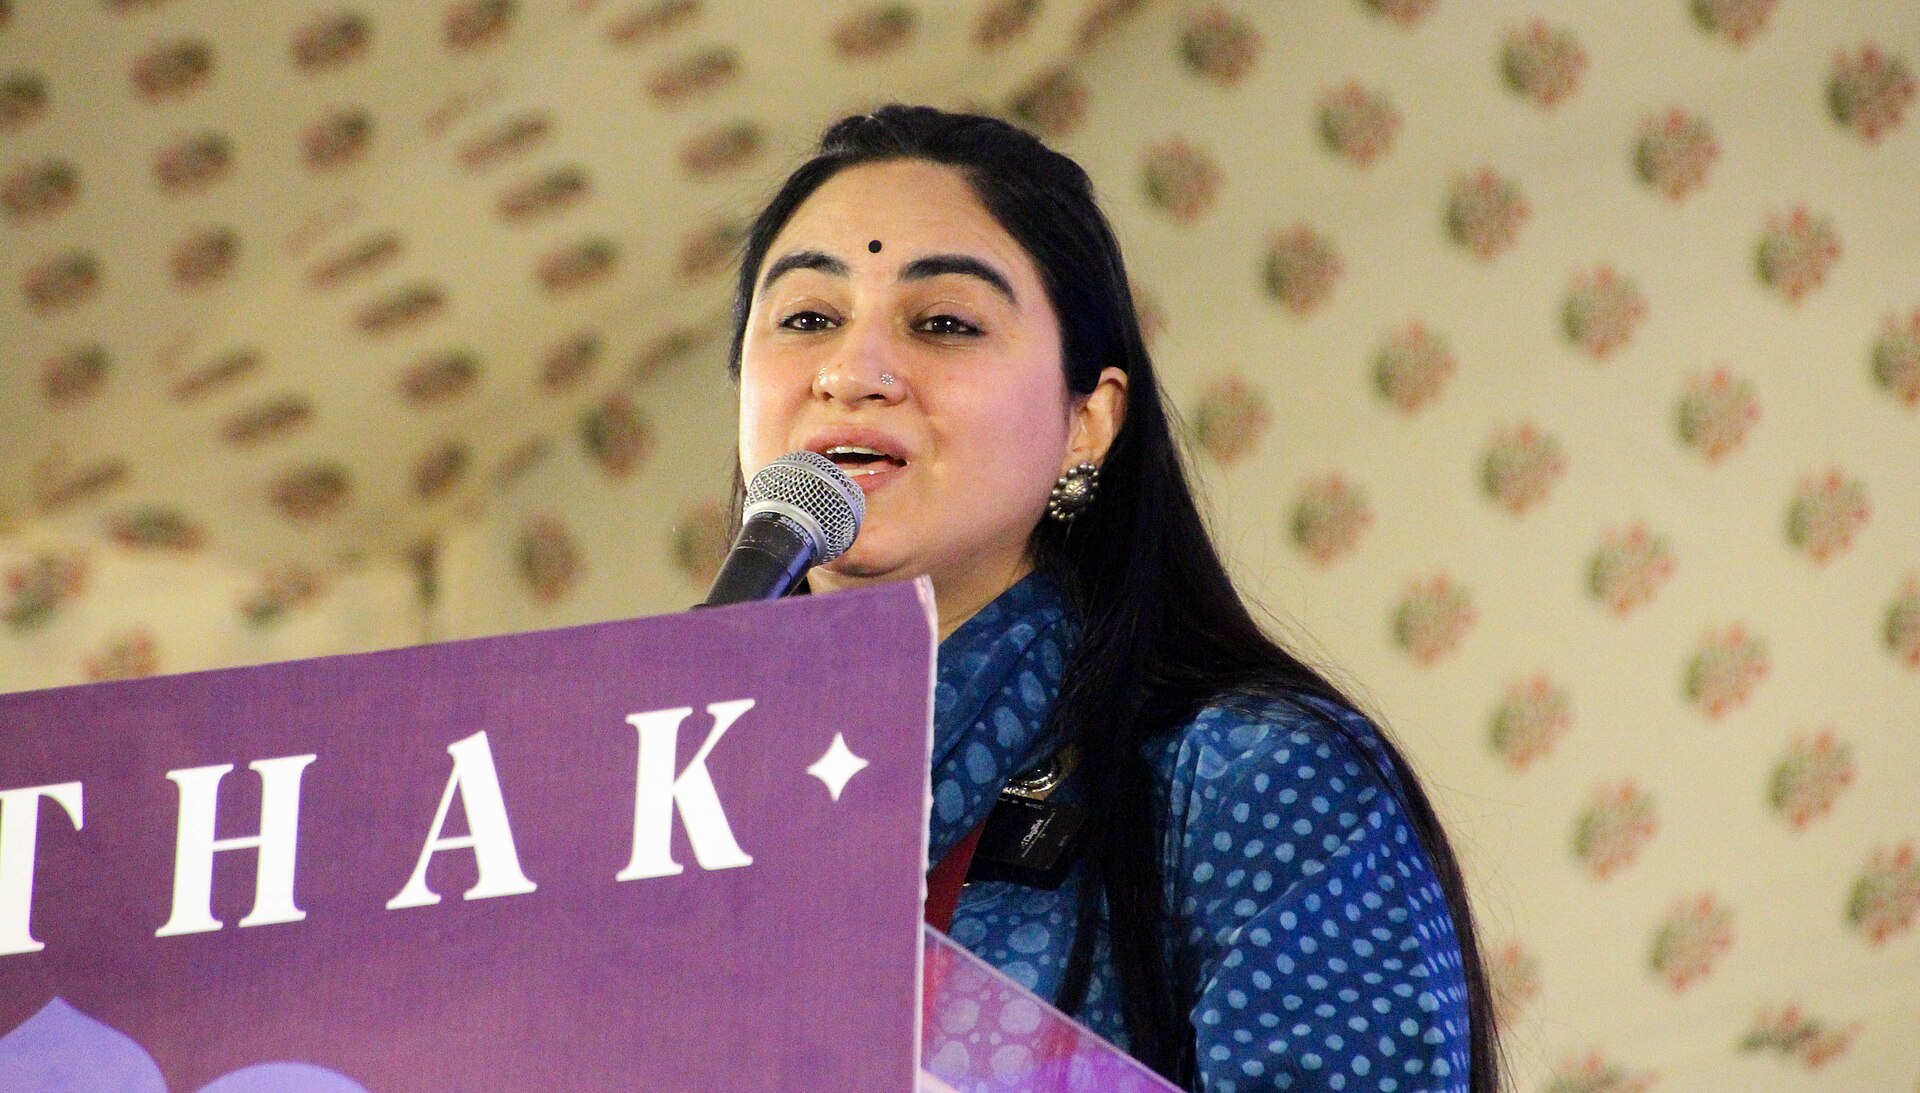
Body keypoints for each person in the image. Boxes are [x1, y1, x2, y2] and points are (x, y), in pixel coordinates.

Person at [727, 105, 1498, 1093]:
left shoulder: (1251, 779)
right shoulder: (664, 814)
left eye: (945, 323)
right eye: (807, 319)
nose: (853, 371)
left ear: (1087, 421)